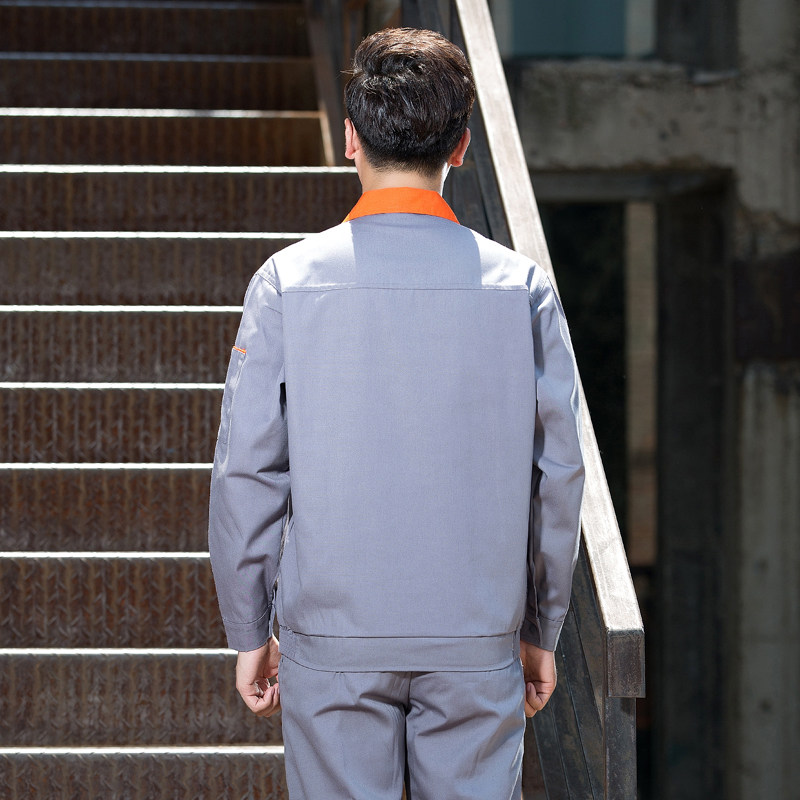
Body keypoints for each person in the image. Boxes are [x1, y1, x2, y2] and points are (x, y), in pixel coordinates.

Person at [208, 27, 584, 800]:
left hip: (332, 638)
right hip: (476, 634)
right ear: (462, 147)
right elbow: (560, 474)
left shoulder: (285, 282)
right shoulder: (521, 289)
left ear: (351, 138)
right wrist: (541, 629)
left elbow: (246, 472)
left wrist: (249, 629)